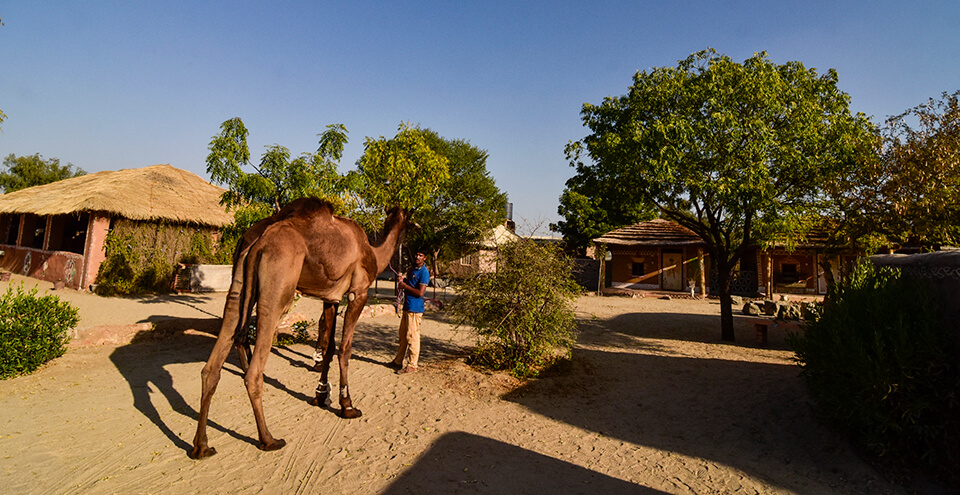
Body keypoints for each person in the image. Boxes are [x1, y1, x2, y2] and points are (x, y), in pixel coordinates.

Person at [389, 249, 430, 374]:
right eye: (416, 254)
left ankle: (412, 365)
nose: (417, 257)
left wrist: (404, 286)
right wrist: (403, 280)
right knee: (403, 337)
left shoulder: (424, 273)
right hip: (407, 307)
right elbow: (410, 284)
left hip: (415, 308)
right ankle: (398, 361)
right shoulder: (412, 269)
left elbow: (420, 292)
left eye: (420, 255)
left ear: (425, 258)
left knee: (412, 337)